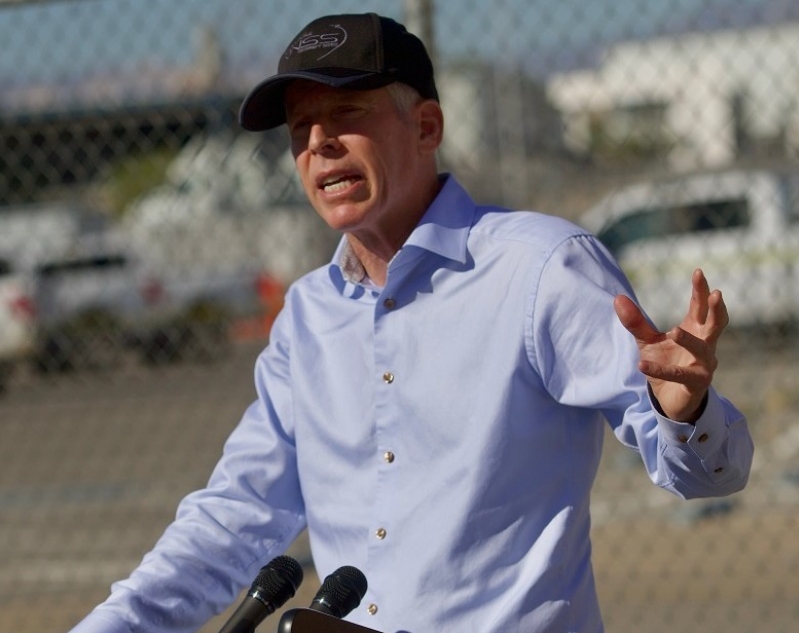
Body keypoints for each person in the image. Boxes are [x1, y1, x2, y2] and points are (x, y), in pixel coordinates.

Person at [68, 12, 753, 633]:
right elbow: (235, 515)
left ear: (426, 126)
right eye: (301, 128)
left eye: (345, 114)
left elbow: (711, 476)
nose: (319, 144)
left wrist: (686, 408)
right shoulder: (306, 317)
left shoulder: (538, 269)